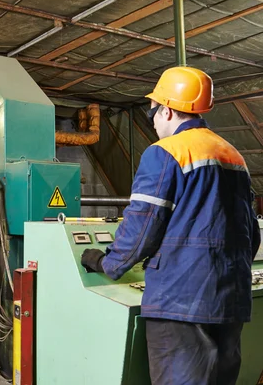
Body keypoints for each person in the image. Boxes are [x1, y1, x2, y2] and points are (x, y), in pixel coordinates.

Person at [81, 66, 261, 385]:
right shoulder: (233, 155)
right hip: (231, 299)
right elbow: (252, 233)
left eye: (152, 115)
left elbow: (142, 227)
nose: (152, 124)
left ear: (165, 110)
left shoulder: (165, 153)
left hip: (180, 302)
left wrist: (107, 263)